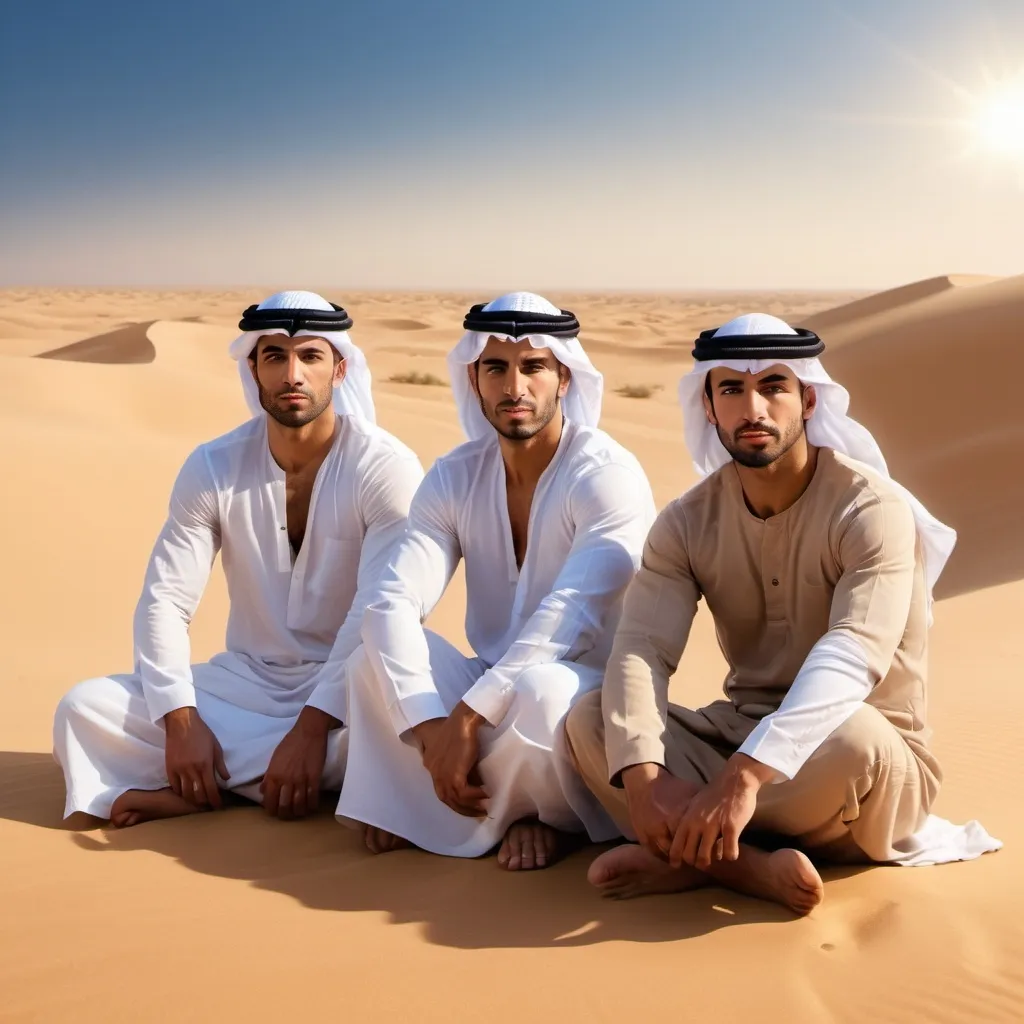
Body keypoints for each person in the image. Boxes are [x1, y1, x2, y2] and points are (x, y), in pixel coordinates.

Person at [564, 312, 1001, 911]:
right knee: (591, 718)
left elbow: (854, 652)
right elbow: (641, 646)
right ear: (709, 408)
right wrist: (642, 778)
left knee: (853, 737)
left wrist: (743, 778)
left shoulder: (871, 509)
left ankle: (686, 846)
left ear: (808, 399)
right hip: (740, 735)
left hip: (859, 757)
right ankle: (740, 866)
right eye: (731, 390)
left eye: (773, 386)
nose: (754, 409)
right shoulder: (687, 523)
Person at [53, 291, 423, 827]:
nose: (292, 374)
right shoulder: (213, 466)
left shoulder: (384, 467)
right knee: (82, 708)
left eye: (310, 357)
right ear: (252, 368)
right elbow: (165, 600)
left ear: (339, 369)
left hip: (349, 689)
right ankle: (281, 781)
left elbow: (380, 610)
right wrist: (180, 722)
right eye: (274, 356)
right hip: (247, 680)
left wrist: (312, 729)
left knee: (406, 732)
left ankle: (213, 784)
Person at [336, 291, 656, 870]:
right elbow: (391, 601)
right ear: (474, 379)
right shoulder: (456, 474)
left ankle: (544, 819)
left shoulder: (606, 476)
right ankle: (444, 799)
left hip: (586, 692)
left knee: (544, 691)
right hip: (490, 690)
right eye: (496, 368)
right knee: (371, 658)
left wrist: (467, 717)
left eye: (534, 367)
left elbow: (572, 614)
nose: (515, 387)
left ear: (565, 378)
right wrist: (430, 725)